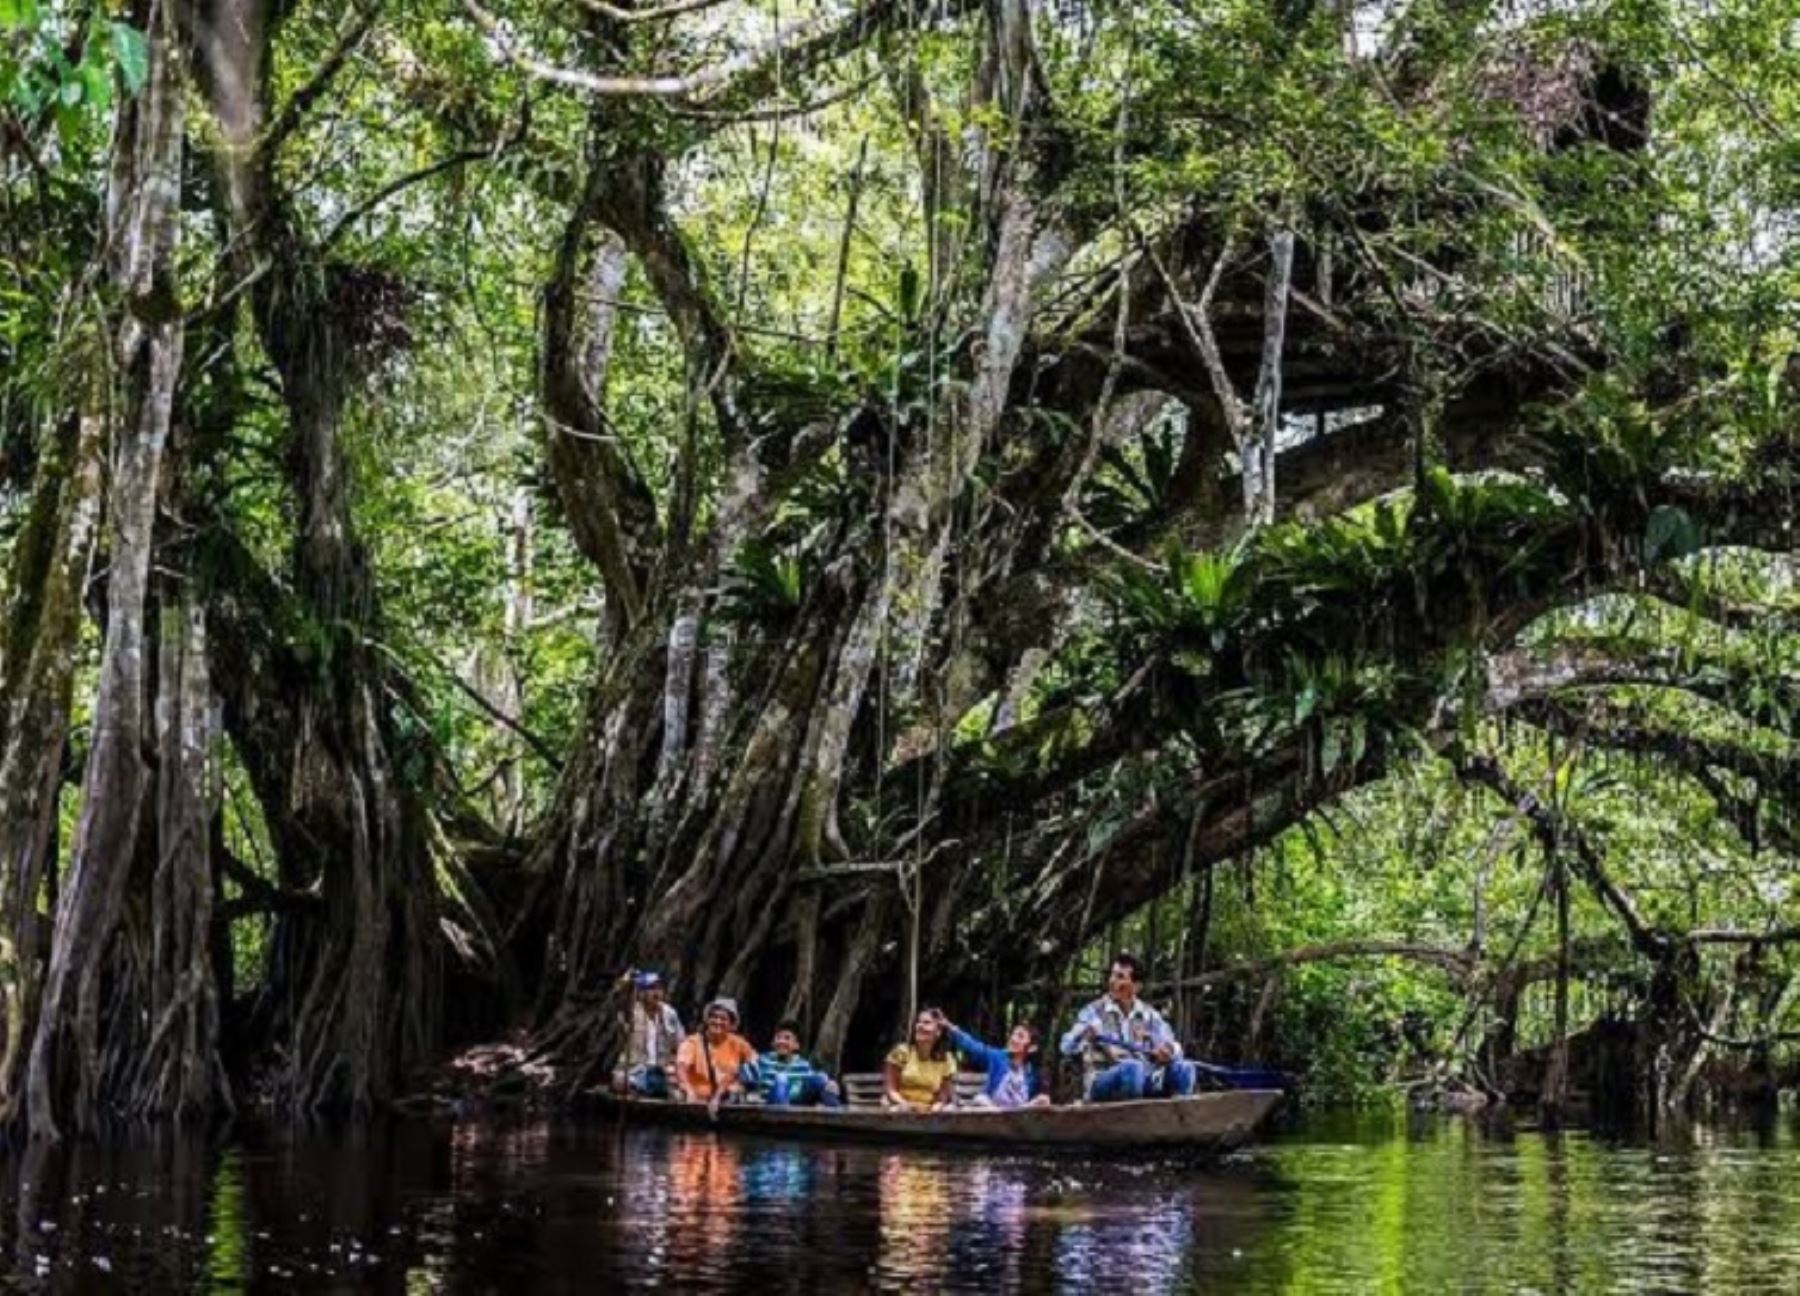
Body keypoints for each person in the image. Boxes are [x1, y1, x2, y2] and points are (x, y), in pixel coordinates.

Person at [1059, 952, 1197, 1102]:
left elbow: (1175, 1048)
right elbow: (1065, 1046)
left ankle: (1178, 1121)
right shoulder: (1094, 1011)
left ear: (1136, 987)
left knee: (1185, 1068)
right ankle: (1133, 1122)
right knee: (1132, 1069)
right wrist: (1082, 1035)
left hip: (1144, 1081)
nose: (1112, 981)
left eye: (1120, 977)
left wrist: (1168, 1050)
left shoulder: (1149, 1016)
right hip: (1101, 1081)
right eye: (1112, 975)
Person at [940, 1015, 1049, 1109]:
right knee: (980, 1099)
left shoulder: (1032, 1072)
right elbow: (973, 1046)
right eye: (1013, 1034)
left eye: (1020, 1036)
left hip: (1019, 1114)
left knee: (1043, 1099)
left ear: (1032, 1048)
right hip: (993, 1110)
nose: (1013, 1039)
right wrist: (950, 1026)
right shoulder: (997, 1057)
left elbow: (1040, 1099)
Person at [675, 997, 759, 1115]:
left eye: (723, 1019)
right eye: (714, 1017)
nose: (718, 1021)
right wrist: (688, 1090)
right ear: (707, 1020)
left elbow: (753, 1065)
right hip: (697, 1099)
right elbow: (681, 1068)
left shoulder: (739, 1044)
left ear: (731, 1024)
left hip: (726, 1099)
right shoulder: (692, 1043)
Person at [613, 969, 683, 1098]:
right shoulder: (631, 1011)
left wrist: (674, 1064)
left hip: (661, 1070)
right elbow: (617, 998)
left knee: (679, 1091)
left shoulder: (669, 1013)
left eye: (659, 988)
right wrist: (626, 981)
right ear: (641, 993)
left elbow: (680, 1044)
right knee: (621, 1082)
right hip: (634, 1070)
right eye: (650, 988)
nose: (656, 993)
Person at [744, 1021, 842, 1108]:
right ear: (773, 1043)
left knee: (822, 1077)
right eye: (778, 1038)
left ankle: (836, 1117)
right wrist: (750, 1065)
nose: (781, 1041)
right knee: (782, 1078)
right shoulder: (764, 1060)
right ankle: (782, 1121)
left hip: (796, 1103)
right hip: (773, 1106)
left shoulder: (803, 1065)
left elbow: (812, 1084)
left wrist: (828, 1083)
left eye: (787, 1038)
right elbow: (746, 1076)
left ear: (796, 1045)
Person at [883, 1008, 957, 1110]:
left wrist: (935, 1108)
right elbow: (891, 1090)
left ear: (938, 1032)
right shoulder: (901, 1053)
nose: (920, 1026)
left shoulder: (946, 1059)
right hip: (900, 1107)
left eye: (926, 1022)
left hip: (928, 1110)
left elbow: (942, 1097)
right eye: (918, 1022)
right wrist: (905, 1105)